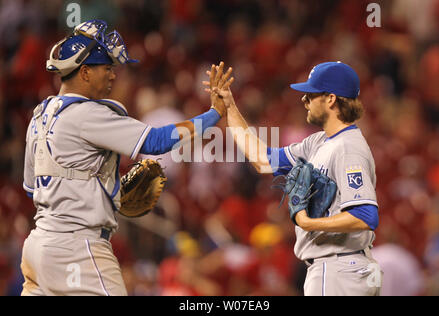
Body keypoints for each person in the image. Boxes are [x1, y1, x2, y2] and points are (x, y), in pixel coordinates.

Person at [20, 19, 232, 296]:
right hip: (77, 250)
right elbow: (156, 141)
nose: (112, 76)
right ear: (84, 72)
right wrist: (213, 114)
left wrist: (100, 190)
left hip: (37, 248)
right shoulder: (87, 114)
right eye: (107, 68)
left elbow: (31, 189)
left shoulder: (39, 116)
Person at [207, 61, 383, 296]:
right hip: (340, 269)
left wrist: (308, 223)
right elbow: (263, 160)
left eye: (311, 95)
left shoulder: (348, 148)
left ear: (331, 99)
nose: (304, 100)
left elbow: (365, 216)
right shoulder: (318, 142)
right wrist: (229, 108)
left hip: (339, 270)